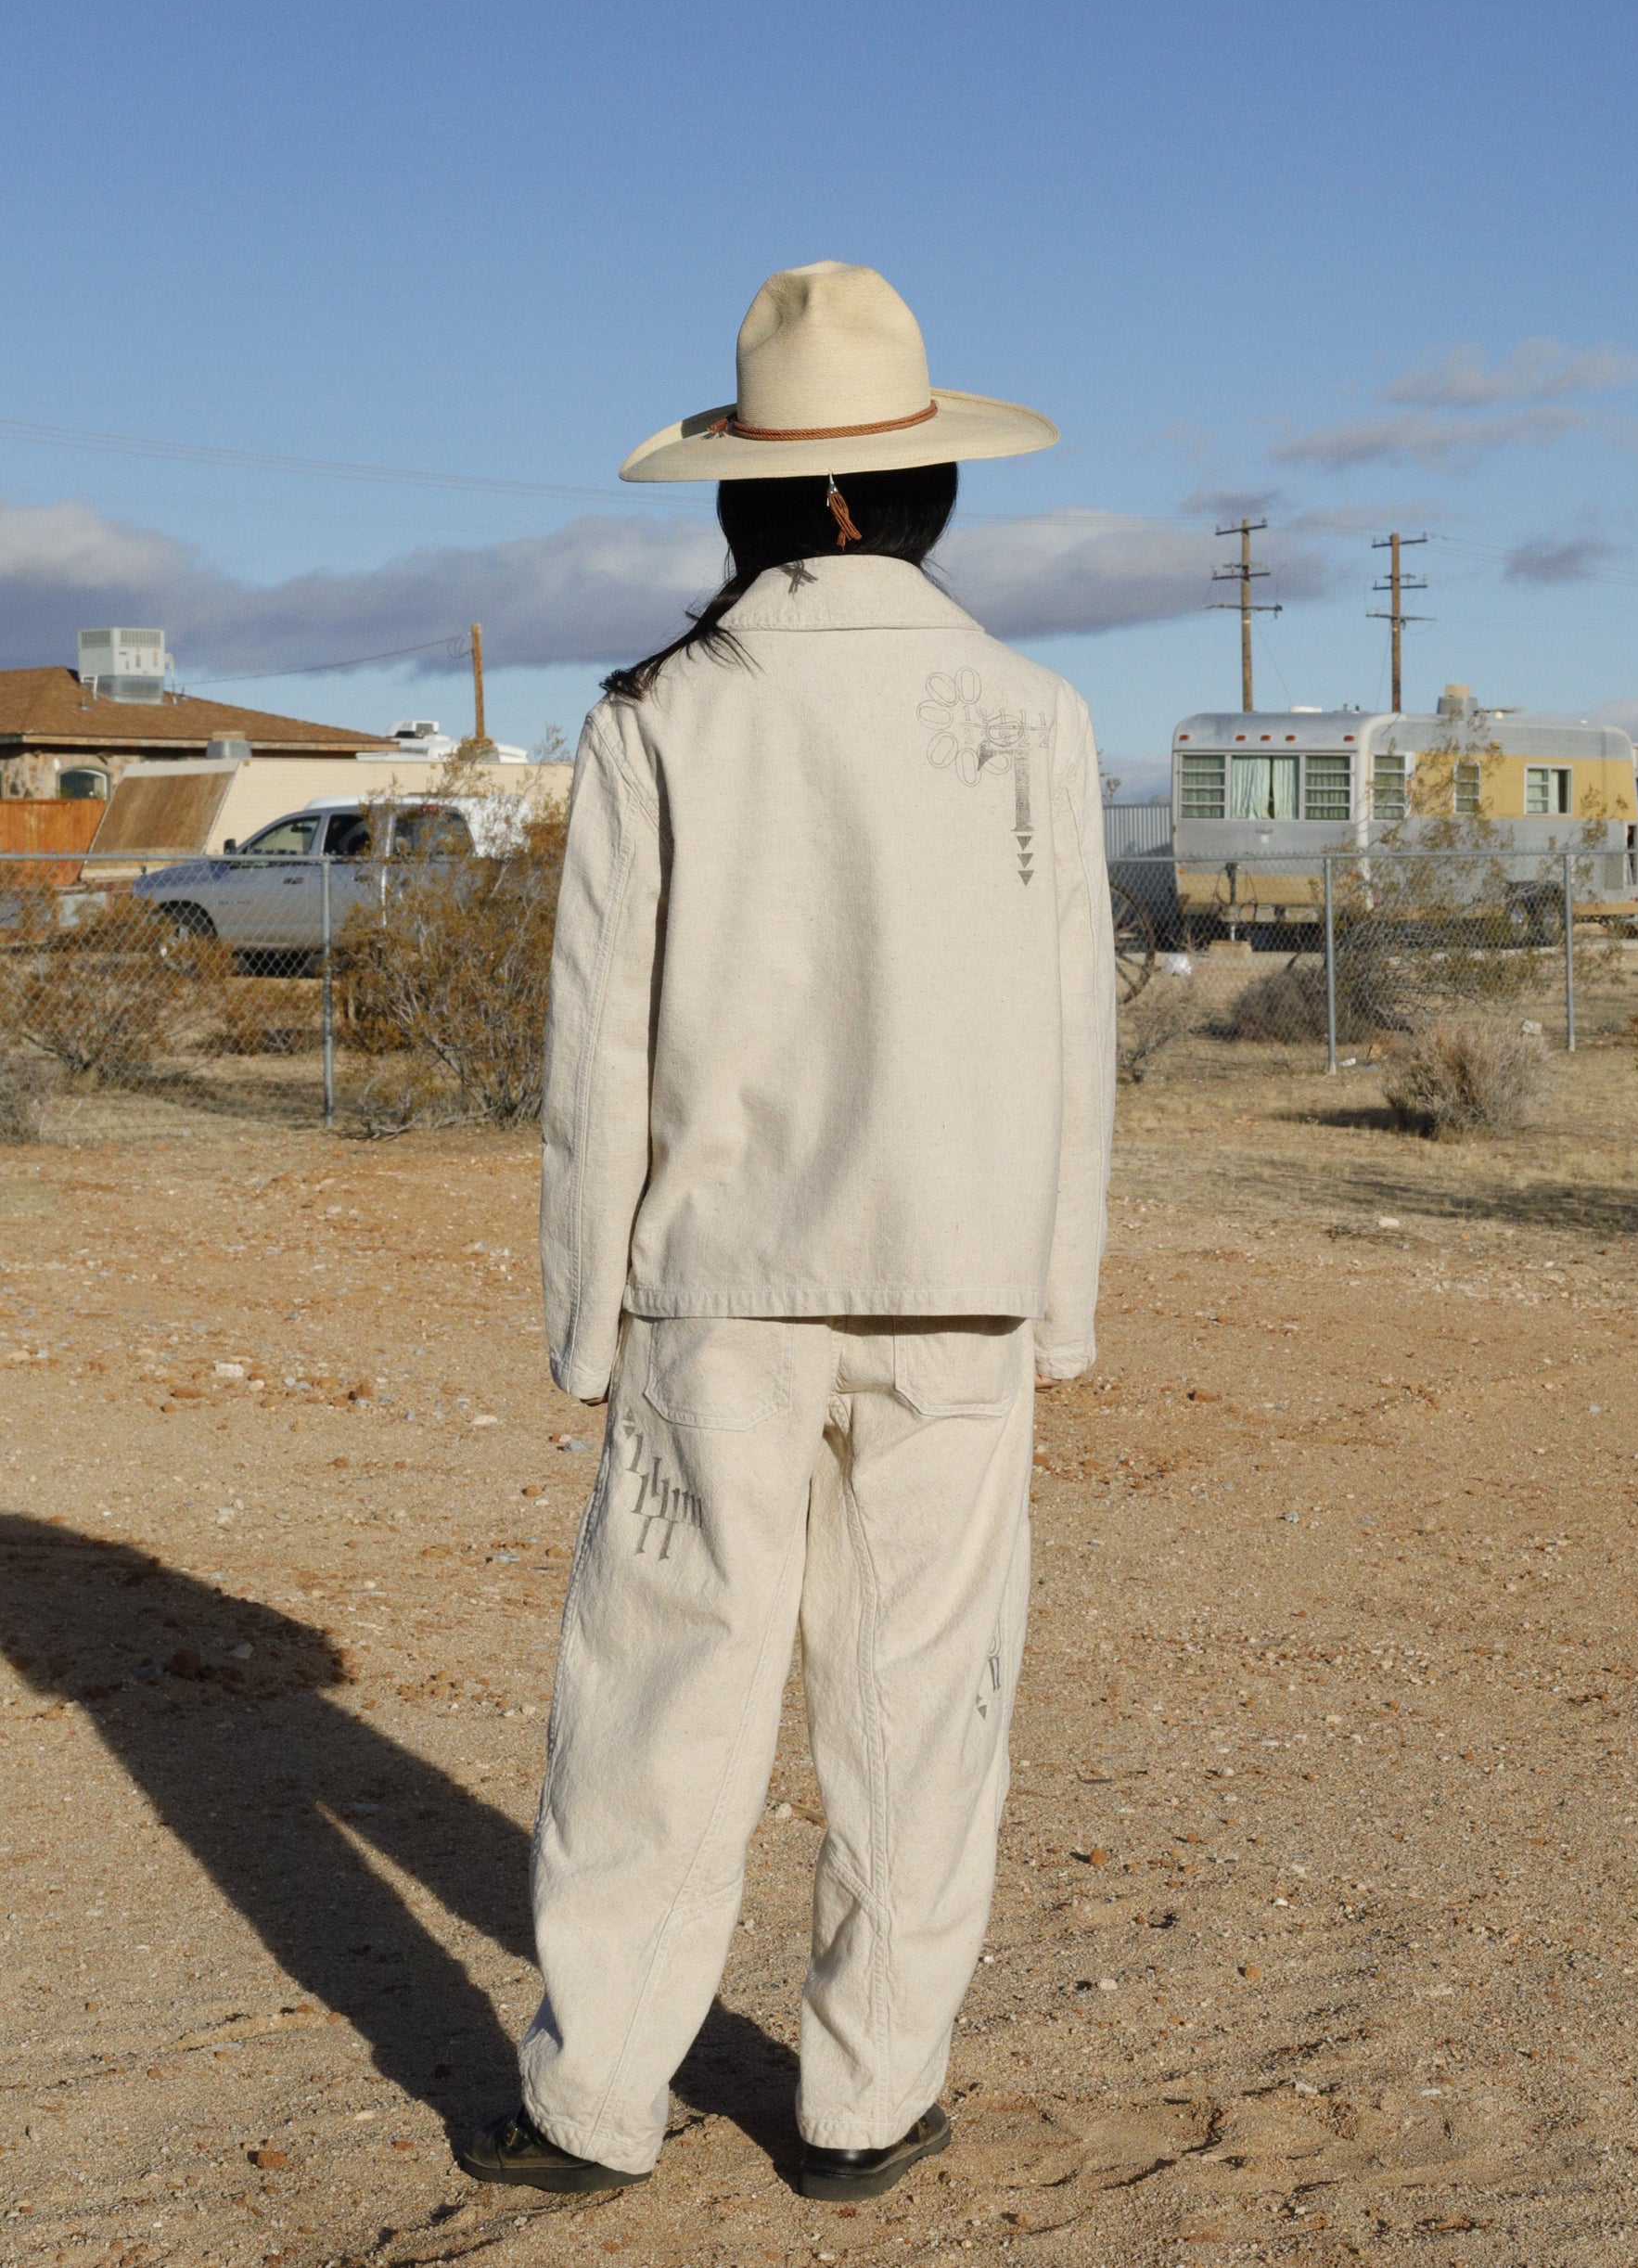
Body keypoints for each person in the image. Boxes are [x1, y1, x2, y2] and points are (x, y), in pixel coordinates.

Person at [457, 261, 1114, 2204]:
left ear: (762, 498)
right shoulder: (1034, 711)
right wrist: (1058, 1296)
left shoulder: (661, 716)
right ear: (911, 492)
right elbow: (1076, 1033)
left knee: (665, 1683)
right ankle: (865, 2099)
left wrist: (591, 1315)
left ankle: (591, 2104)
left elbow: (603, 1059)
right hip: (964, 1275)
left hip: (717, 1284)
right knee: (928, 1696)